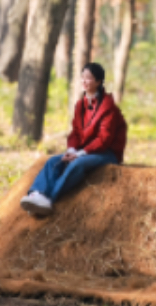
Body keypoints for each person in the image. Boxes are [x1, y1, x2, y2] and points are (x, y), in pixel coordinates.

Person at [20, 62, 127, 216]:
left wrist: (79, 154)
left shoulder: (107, 106)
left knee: (76, 165)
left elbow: (104, 139)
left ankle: (49, 199)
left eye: (89, 78)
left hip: (107, 152)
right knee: (53, 161)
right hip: (85, 151)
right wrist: (71, 149)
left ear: (98, 82)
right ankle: (37, 194)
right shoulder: (80, 105)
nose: (84, 81)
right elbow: (75, 133)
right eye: (82, 77)